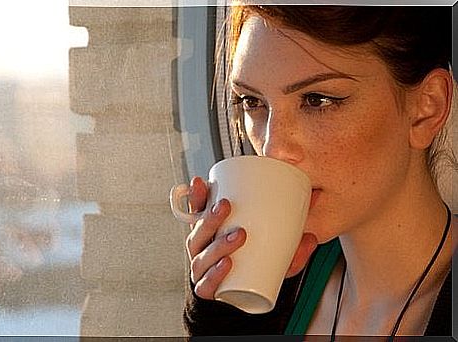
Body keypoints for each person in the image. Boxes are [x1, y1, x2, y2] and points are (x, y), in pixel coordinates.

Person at [181, 5, 457, 337]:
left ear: (427, 109)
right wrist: (222, 315)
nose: (272, 150)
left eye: (318, 100)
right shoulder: (277, 291)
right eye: (252, 102)